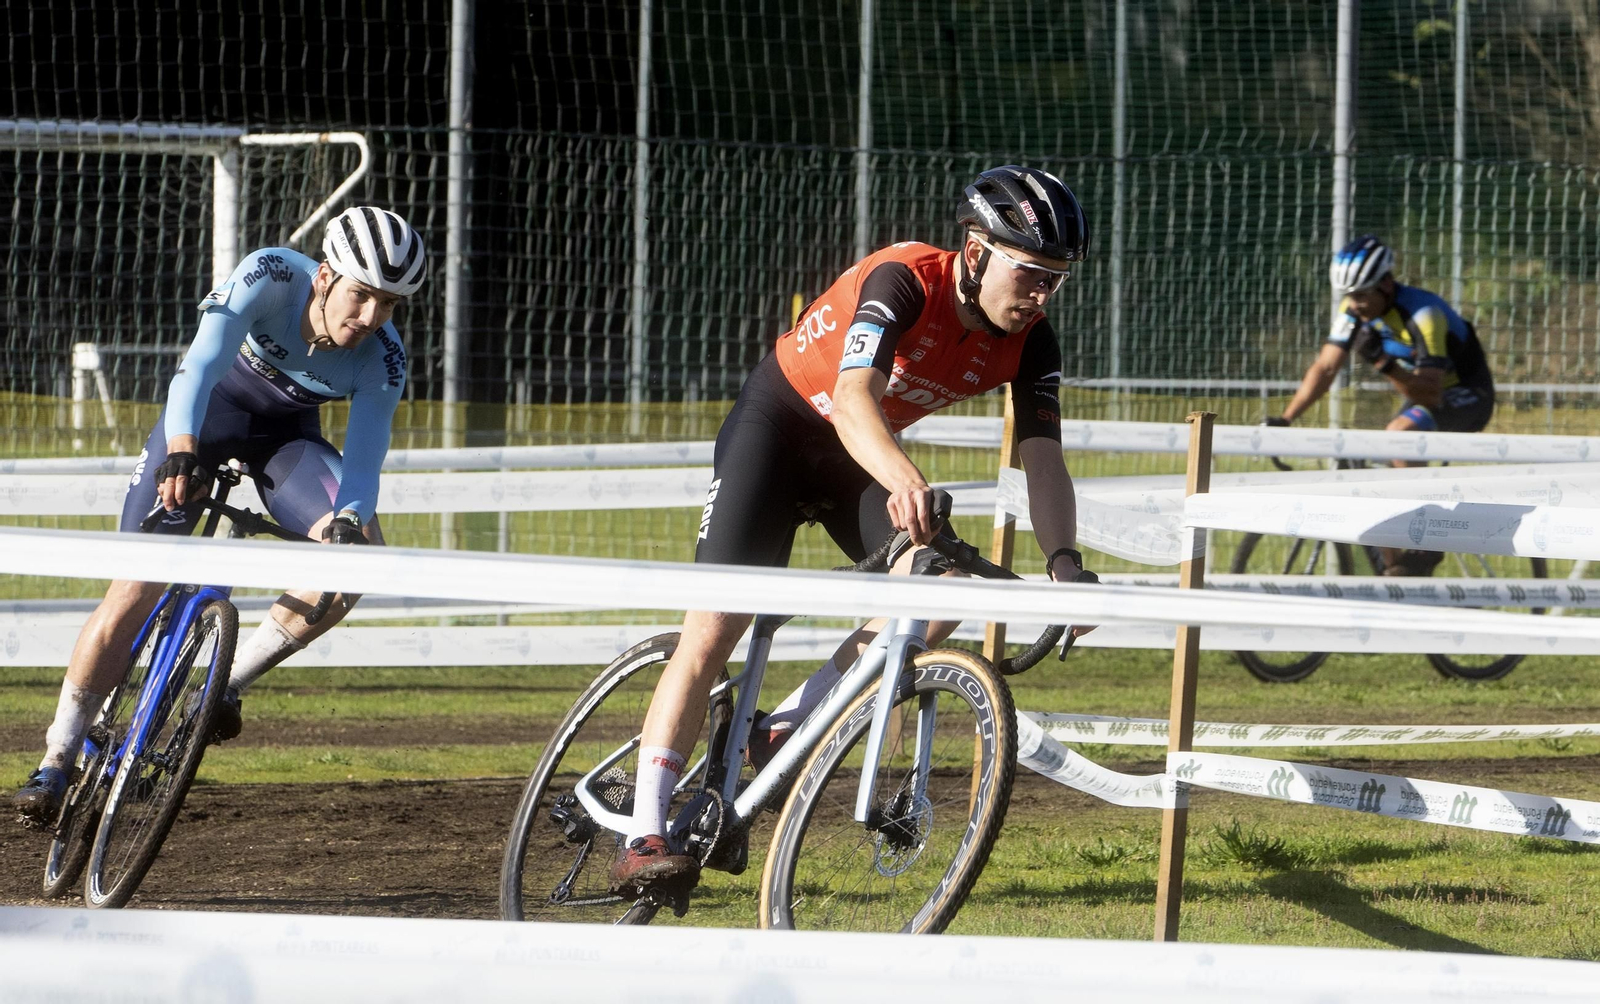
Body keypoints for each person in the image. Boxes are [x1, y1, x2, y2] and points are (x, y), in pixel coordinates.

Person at [608, 166, 1098, 898]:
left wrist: (1064, 563)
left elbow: (1044, 458)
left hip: (853, 460)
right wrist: (906, 481)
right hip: (779, 430)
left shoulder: (1033, 343)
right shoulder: (904, 280)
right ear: (974, 253)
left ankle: (780, 729)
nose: (1038, 295)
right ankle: (642, 831)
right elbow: (851, 396)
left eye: (1054, 281)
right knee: (714, 626)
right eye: (1028, 273)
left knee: (938, 592)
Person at [11, 207, 427, 826]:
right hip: (205, 419)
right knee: (134, 586)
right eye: (362, 296)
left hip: (287, 440)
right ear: (324, 278)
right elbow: (198, 368)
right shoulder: (270, 275)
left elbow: (364, 465)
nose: (371, 319)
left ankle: (222, 684)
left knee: (359, 558)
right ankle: (57, 756)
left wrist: (347, 522)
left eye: (389, 305)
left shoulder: (382, 359)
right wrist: (180, 450)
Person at [1266, 233, 1495, 575]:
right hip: (1424, 397)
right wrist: (1286, 419)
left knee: (1398, 436)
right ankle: (1396, 571)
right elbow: (1326, 367)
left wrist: (1383, 362)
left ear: (1386, 284)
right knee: (1379, 477)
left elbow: (1431, 395)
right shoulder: (1354, 311)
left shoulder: (1424, 314)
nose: (1354, 304)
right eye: (1349, 296)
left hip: (1466, 395)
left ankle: (1428, 539)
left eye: (1361, 295)